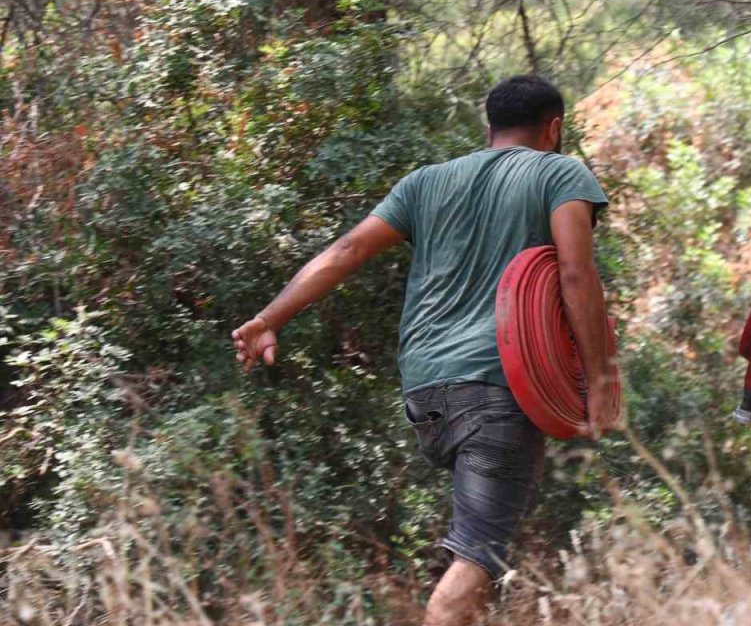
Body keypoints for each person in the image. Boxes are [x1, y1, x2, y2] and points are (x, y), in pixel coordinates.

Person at [231, 75, 616, 625]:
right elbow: (576, 275)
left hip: (426, 393)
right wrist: (599, 380)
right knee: (474, 564)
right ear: (554, 128)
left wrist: (270, 319)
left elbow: (347, 249)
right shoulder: (560, 172)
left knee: (481, 559)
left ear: (489, 127)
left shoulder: (425, 182)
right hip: (499, 386)